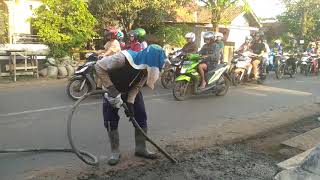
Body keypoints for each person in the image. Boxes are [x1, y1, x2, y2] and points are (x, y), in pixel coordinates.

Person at [94, 44, 166, 166]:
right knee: (111, 120)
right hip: (111, 89)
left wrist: (130, 102)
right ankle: (115, 151)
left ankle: (141, 148)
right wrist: (112, 89)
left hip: (130, 90)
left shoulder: (145, 70)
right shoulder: (122, 58)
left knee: (140, 116)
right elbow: (99, 66)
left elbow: (137, 86)